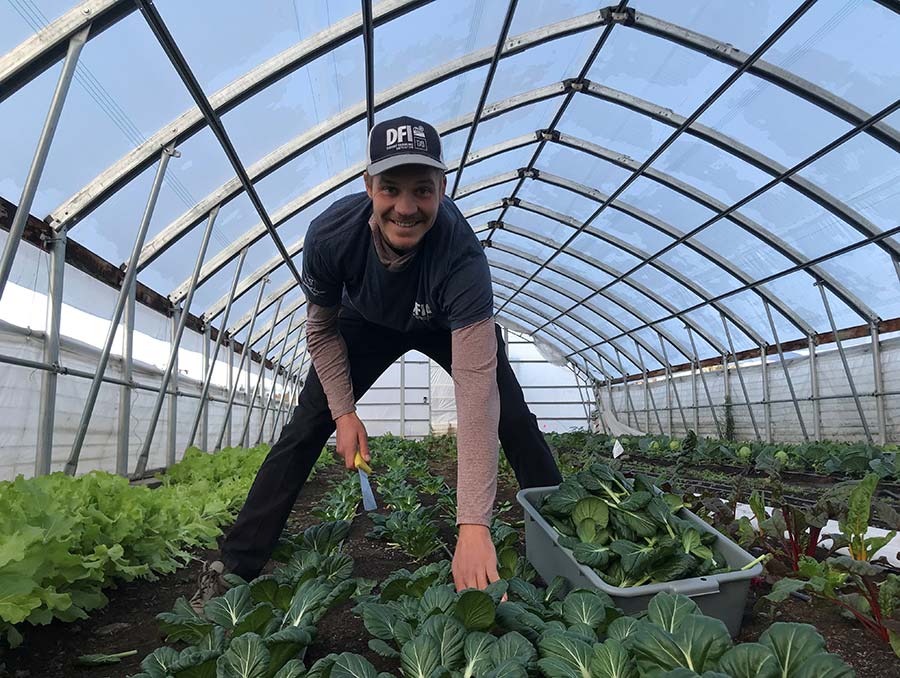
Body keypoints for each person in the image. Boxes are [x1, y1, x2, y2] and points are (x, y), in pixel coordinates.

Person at [192, 115, 562, 609]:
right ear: (369, 186)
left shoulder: (463, 258)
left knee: (512, 416)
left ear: (443, 188)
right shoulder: (330, 236)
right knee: (306, 427)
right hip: (363, 323)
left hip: (441, 322)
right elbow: (321, 329)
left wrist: (473, 524)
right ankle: (234, 565)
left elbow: (477, 397)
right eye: (390, 188)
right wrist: (344, 414)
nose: (406, 208)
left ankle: (563, 540)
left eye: (423, 191)